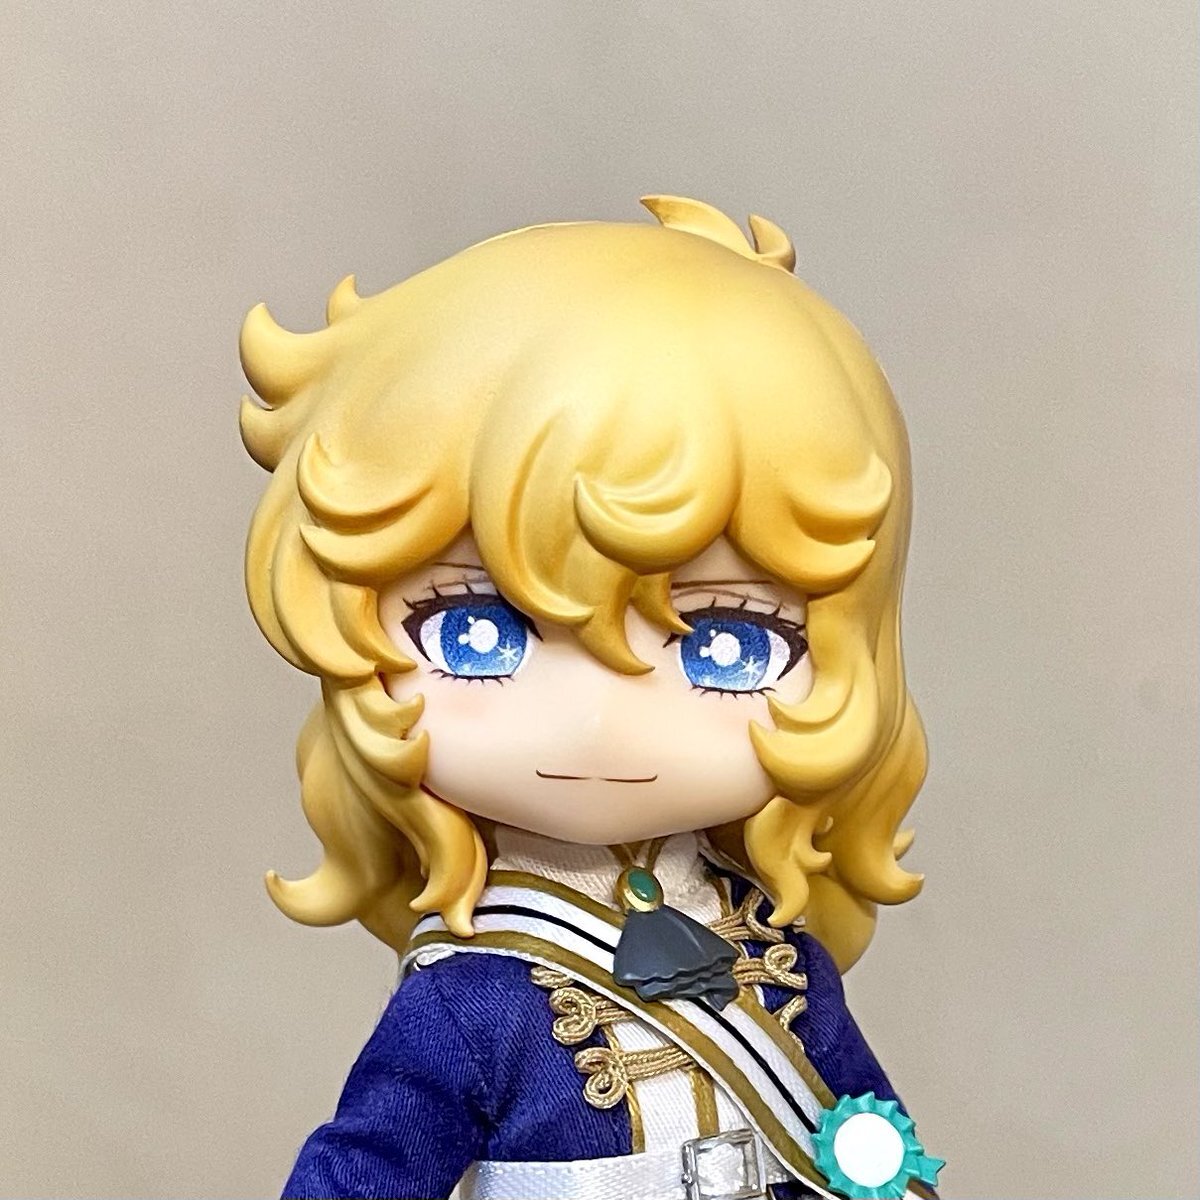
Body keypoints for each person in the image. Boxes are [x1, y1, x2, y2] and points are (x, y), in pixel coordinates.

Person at [238, 195, 943, 1200]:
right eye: (477, 631)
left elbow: (874, 1153)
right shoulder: (472, 1003)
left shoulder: (777, 959)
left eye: (729, 642)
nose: (602, 718)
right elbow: (362, 1176)